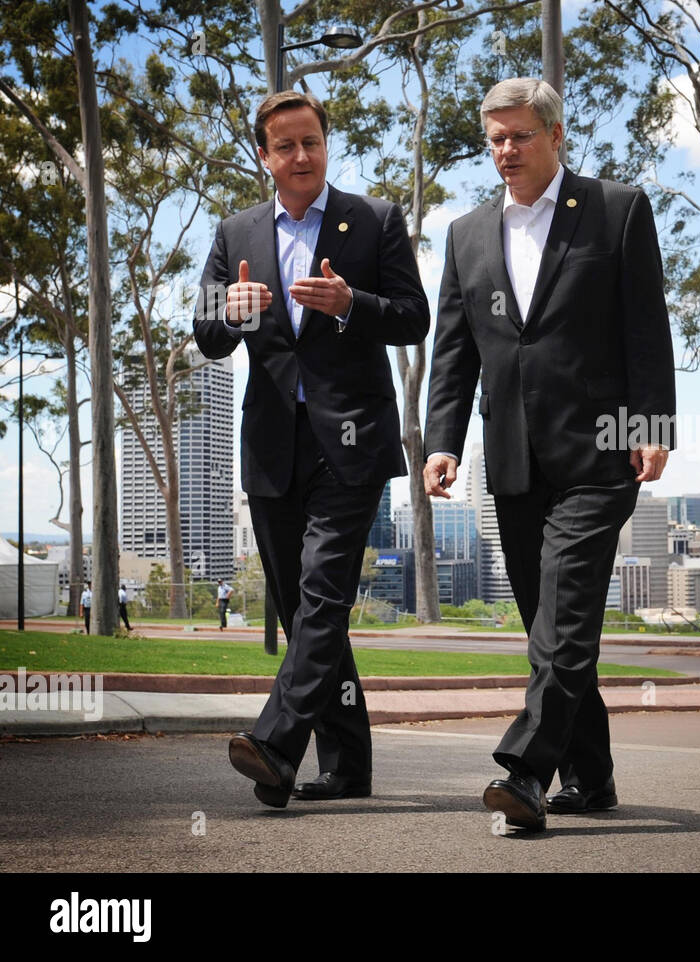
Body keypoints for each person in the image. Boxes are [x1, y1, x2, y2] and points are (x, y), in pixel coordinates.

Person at [423, 78, 676, 831]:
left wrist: (651, 422)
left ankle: (525, 772)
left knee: (563, 620)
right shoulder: (467, 233)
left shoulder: (617, 209)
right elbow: (455, 349)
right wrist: (442, 441)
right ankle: (591, 779)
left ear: (556, 136)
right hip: (512, 459)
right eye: (495, 138)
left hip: (601, 455)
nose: (506, 150)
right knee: (548, 626)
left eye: (520, 135)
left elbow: (645, 325)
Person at [193, 90, 430, 808]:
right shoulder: (235, 232)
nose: (301, 156)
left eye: (312, 142)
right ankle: (350, 765)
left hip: (352, 442)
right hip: (271, 447)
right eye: (286, 145)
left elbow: (414, 317)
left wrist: (353, 303)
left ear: (327, 146)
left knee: (324, 594)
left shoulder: (376, 220)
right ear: (264, 155)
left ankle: (275, 744)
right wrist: (227, 314)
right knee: (305, 614)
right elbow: (206, 334)